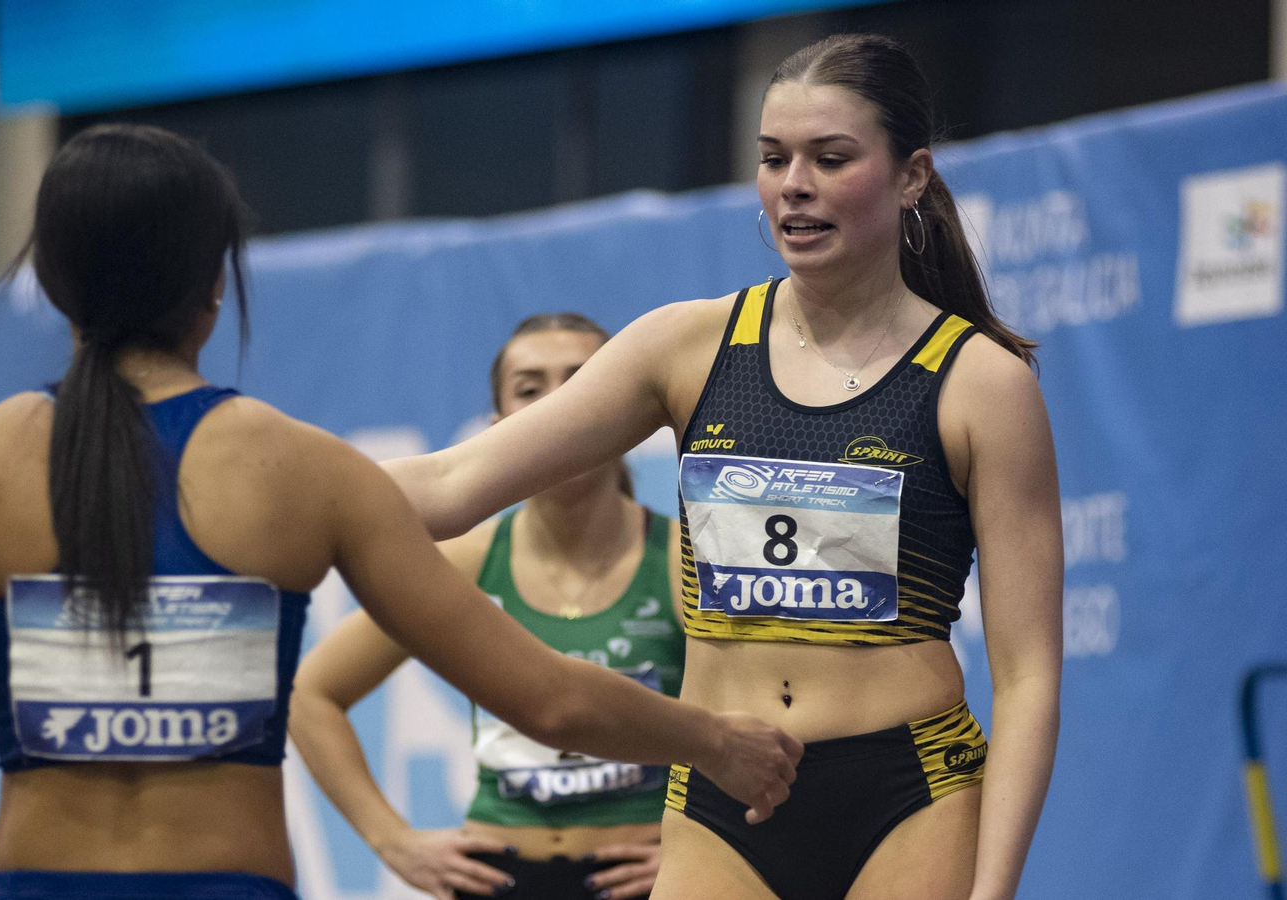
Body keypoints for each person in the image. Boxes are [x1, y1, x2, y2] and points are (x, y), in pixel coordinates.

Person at [0, 125, 802, 900]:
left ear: (53, 282)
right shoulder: (304, 473)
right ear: (215, 286)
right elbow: (549, 700)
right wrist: (715, 741)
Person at [383, 34, 1062, 900]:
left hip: (910, 794)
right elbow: (447, 487)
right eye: (774, 158)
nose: (795, 186)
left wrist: (993, 890)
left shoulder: (981, 385)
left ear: (912, 176)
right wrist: (265, 486)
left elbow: (1031, 677)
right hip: (723, 797)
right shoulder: (687, 346)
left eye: (831, 157)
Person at [293, 314, 687, 900]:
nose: (558, 409)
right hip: (498, 876)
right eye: (530, 389)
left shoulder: (685, 559)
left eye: (581, 383)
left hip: (642, 883)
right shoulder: (466, 562)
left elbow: (767, 729)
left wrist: (703, 850)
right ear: (500, 425)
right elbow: (310, 694)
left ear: (630, 415)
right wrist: (392, 842)